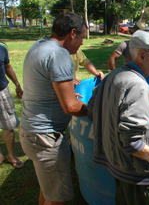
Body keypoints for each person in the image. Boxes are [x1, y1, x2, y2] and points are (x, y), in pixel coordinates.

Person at [88, 31, 149, 205]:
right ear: (142, 56)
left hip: (118, 168)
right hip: (139, 177)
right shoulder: (138, 86)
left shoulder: (112, 76)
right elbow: (132, 143)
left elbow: (92, 110)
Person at [19, 12, 88, 205]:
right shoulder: (60, 54)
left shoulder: (40, 45)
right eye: (82, 38)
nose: (82, 44)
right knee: (58, 200)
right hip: (46, 138)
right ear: (72, 33)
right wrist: (95, 110)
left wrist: (69, 92)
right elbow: (71, 107)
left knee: (48, 189)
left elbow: (47, 85)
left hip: (30, 132)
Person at [0, 40, 24, 169]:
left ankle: (11, 156)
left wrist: (17, 85)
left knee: (8, 125)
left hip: (2, 91)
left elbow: (7, 66)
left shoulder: (2, 46)